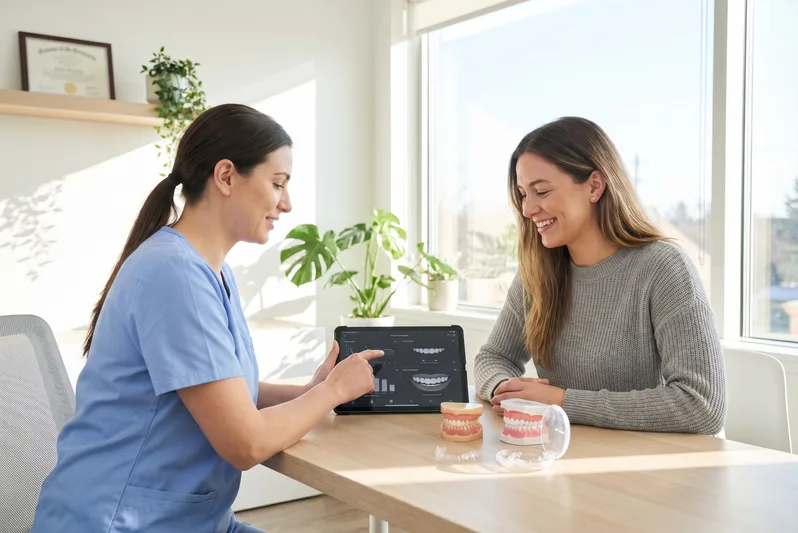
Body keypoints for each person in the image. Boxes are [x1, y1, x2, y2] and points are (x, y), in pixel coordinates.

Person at [30, 104, 382, 533]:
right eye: (277, 184)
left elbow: (223, 390)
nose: (286, 204)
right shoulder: (174, 274)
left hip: (195, 520)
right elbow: (245, 443)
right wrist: (330, 394)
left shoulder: (209, 270)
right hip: (122, 522)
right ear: (227, 176)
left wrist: (309, 391)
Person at [474, 116, 727, 435]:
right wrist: (505, 390)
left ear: (594, 185)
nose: (527, 209)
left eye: (541, 191)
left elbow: (702, 406)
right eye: (523, 194)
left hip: (652, 468)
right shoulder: (539, 272)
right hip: (567, 456)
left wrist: (561, 402)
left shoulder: (663, 268)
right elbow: (493, 357)